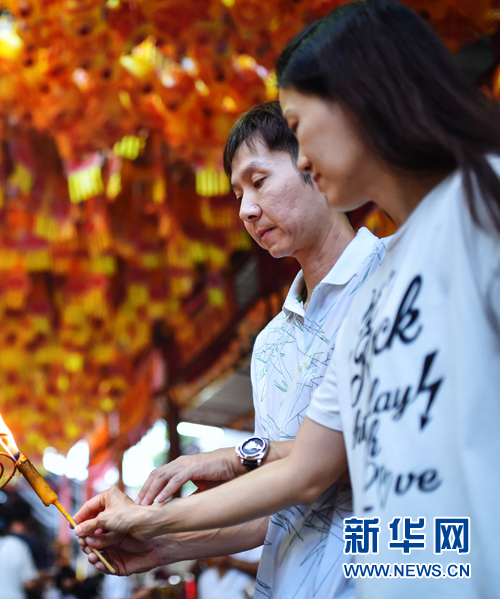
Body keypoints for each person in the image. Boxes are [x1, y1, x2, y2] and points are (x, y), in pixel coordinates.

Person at [72, 2, 500, 597]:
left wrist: (167, 514)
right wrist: (162, 538)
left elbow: (322, 483)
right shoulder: (381, 287)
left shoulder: (482, 204)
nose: (302, 158)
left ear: (360, 100)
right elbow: (315, 478)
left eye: (298, 130)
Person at [82, 100, 389, 598]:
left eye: (259, 181)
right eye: (237, 192)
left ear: (313, 163)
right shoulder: (270, 345)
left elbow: (340, 462)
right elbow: (277, 507)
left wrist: (235, 460)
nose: (245, 209)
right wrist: (164, 544)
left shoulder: (393, 278)